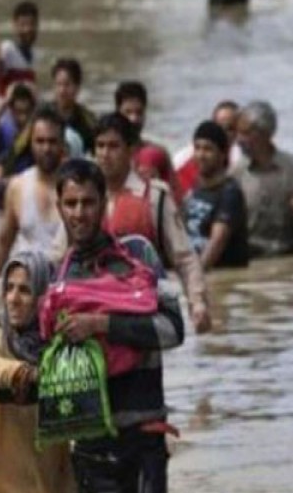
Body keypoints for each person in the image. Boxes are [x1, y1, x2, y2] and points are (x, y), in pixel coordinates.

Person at [52, 158, 184, 493]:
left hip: (143, 440)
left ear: (104, 203)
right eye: (71, 203)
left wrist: (103, 324)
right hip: (89, 447)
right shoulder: (58, 275)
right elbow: (33, 348)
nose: (80, 213)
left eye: (89, 202)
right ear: (59, 207)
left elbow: (174, 330)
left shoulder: (140, 255)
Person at [0, 251, 77, 493]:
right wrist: (28, 376)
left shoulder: (62, 343)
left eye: (25, 290)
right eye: (9, 289)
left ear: (43, 297)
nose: (13, 299)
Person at [87, 113, 213, 333]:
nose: (105, 154)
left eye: (113, 146)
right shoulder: (83, 198)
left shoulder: (155, 197)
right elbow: (61, 256)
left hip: (142, 317)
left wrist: (197, 302)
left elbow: (184, 257)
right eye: (100, 146)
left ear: (130, 150)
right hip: (92, 316)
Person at [232, 101, 293, 257]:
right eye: (238, 133)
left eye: (246, 133)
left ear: (265, 134)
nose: (238, 140)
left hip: (291, 260)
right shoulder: (237, 173)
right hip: (253, 261)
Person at [0, 107, 66, 277]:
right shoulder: (18, 187)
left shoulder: (77, 187)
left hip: (64, 283)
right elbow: (2, 243)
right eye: (40, 141)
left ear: (63, 144)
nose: (46, 148)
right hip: (26, 283)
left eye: (52, 141)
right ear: (31, 143)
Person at [184, 121, 249, 269]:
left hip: (222, 277)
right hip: (197, 271)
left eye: (208, 149)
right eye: (197, 148)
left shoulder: (230, 193)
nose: (201, 155)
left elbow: (216, 243)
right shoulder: (195, 190)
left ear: (222, 154)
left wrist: (194, 278)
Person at [115, 81, 183, 204]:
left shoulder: (159, 153)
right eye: (128, 112)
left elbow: (177, 200)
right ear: (117, 113)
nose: (134, 119)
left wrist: (158, 185)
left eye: (139, 112)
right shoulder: (106, 154)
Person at [0, 83, 38, 178]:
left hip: (31, 179)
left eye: (26, 112)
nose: (23, 118)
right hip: (7, 178)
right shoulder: (3, 127)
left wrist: (37, 101)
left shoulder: (37, 126)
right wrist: (5, 101)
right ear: (11, 109)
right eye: (19, 112)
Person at [0, 0, 39, 99]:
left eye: (32, 24)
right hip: (5, 112)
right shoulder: (7, 48)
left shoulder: (34, 54)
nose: (28, 29)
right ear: (15, 26)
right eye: (23, 25)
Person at [49, 58, 97, 155]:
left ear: (77, 87)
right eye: (58, 84)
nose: (62, 91)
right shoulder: (40, 115)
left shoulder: (89, 121)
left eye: (67, 85)